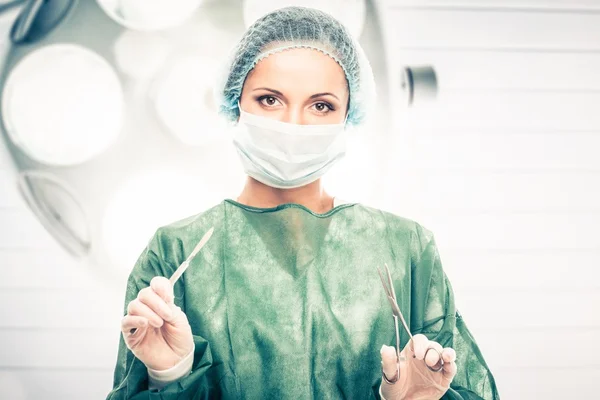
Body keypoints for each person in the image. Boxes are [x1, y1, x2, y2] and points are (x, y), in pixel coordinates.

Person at [106, 6, 499, 399]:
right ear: (235, 101)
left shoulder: (406, 250)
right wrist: (170, 372)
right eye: (270, 100)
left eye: (321, 105)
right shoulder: (174, 254)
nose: (293, 124)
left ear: (349, 116)